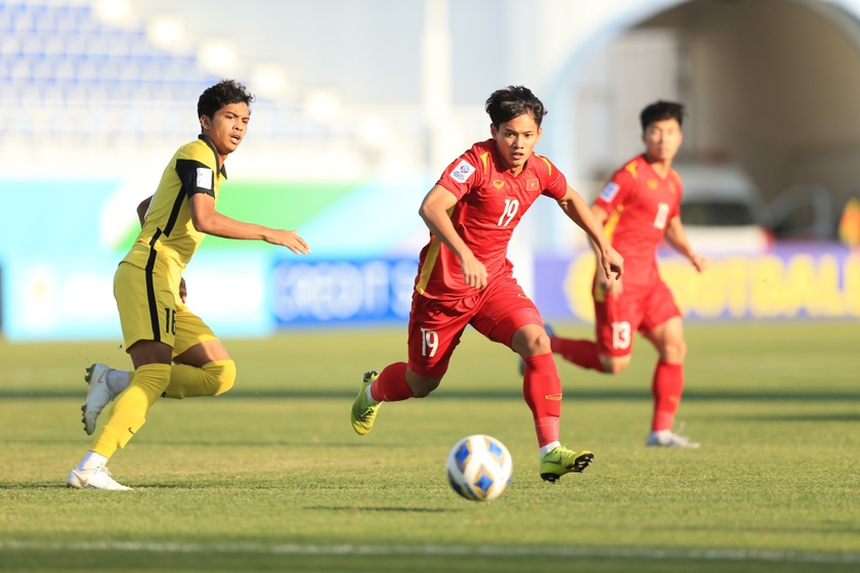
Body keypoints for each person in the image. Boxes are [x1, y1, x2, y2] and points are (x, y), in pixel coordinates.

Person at [350, 86, 624, 483]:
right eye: (510, 134)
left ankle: (550, 451)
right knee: (421, 381)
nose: (518, 143)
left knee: (537, 340)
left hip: (494, 281)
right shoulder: (474, 163)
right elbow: (431, 206)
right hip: (443, 291)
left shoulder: (541, 169)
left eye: (527, 135)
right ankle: (373, 392)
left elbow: (570, 199)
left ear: (538, 135)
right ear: (494, 131)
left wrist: (604, 246)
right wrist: (464, 255)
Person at [67, 79, 310, 490]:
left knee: (219, 373)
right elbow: (205, 219)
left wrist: (174, 265)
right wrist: (269, 232)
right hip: (146, 270)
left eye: (245, 120)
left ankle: (113, 382)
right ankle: (90, 468)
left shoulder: (211, 165)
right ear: (205, 120)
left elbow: (148, 206)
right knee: (156, 374)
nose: (238, 127)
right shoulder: (197, 153)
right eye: (230, 117)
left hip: (161, 274)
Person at [543, 101, 707, 448]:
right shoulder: (629, 175)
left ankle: (660, 432)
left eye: (671, 132)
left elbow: (672, 224)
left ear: (680, 137)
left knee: (675, 347)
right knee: (612, 363)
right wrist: (606, 264)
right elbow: (594, 218)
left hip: (650, 281)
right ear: (644, 136)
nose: (663, 139)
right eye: (656, 132)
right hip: (618, 282)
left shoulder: (673, 182)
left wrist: (690, 252)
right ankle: (547, 342)